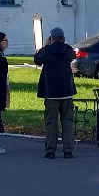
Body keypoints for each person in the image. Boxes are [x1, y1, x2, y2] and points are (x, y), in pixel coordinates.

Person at [33, 26, 77, 159]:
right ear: (63, 38)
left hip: (51, 92)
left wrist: (46, 45)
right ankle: (68, 150)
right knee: (68, 121)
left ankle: (50, 150)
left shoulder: (47, 50)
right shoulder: (67, 50)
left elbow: (37, 59)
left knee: (51, 121)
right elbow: (73, 55)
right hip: (66, 91)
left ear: (51, 38)